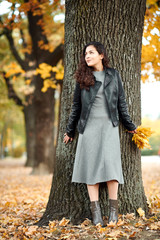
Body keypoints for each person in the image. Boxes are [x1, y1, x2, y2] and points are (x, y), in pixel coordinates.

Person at [63, 41, 137, 226]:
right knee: (91, 171)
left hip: (110, 126)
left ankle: (114, 213)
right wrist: (70, 130)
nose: (87, 56)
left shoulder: (114, 75)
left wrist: (130, 125)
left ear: (101, 55)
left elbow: (121, 103)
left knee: (112, 169)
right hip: (88, 129)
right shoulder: (82, 79)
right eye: (85, 53)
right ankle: (95, 214)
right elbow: (76, 107)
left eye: (91, 52)